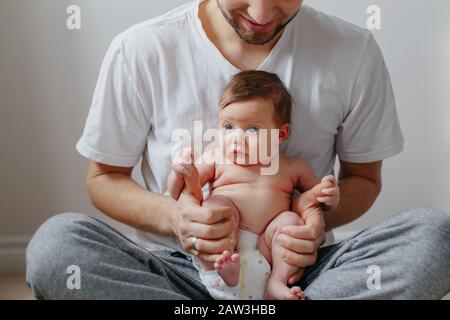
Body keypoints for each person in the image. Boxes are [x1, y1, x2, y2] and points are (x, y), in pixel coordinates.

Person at [26, 0, 450, 299]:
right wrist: (176, 218)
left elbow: (363, 178)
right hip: (178, 273)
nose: (262, 13)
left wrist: (311, 224)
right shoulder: (141, 50)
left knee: (432, 238)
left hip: (301, 273)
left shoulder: (353, 52)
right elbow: (104, 178)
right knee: (56, 248)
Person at [167, 70, 340, 300]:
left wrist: (329, 195)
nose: (237, 138)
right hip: (226, 240)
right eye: (228, 127)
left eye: (252, 129)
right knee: (217, 207)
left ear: (281, 134)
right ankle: (224, 270)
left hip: (267, 247)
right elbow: (181, 192)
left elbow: (314, 199)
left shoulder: (292, 167)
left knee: (290, 222)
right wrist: (181, 170)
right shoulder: (217, 158)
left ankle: (276, 282)